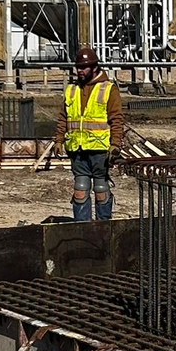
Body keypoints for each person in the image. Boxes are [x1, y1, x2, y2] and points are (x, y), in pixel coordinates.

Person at [57, 46, 125, 221]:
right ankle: (82, 229)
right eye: (78, 67)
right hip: (77, 149)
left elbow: (116, 119)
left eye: (84, 67)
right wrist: (58, 140)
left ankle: (103, 227)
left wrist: (115, 144)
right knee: (80, 188)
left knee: (101, 188)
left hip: (99, 150)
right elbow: (63, 117)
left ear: (95, 67)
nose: (80, 71)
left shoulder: (108, 89)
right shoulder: (72, 90)